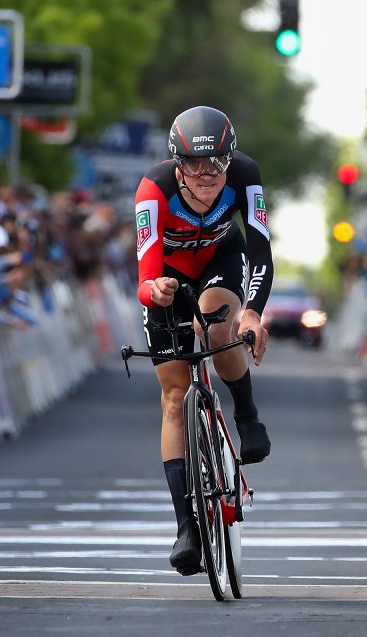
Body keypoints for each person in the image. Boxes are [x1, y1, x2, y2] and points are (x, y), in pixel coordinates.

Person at [133, 105, 272, 575]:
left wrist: (252, 312)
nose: (207, 175)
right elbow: (145, 276)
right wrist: (158, 290)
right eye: (195, 165)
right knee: (174, 399)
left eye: (216, 165)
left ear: (230, 161)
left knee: (217, 327)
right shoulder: (153, 190)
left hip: (220, 260)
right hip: (168, 278)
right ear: (178, 165)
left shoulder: (246, 174)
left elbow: (260, 247)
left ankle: (247, 415)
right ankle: (185, 528)